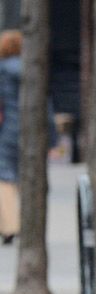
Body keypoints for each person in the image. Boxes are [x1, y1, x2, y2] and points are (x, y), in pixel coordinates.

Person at [0, 29, 22, 244]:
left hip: (7, 129)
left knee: (5, 177)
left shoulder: (2, 71)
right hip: (33, 131)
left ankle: (10, 226)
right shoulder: (34, 71)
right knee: (27, 176)